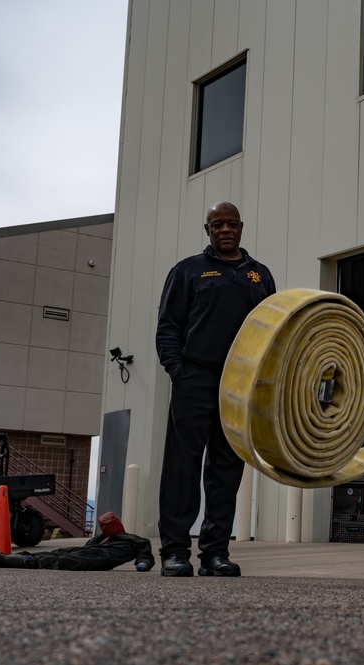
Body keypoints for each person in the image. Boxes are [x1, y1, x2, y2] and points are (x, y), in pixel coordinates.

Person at [156, 201, 276, 577]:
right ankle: (175, 551)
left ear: (242, 228)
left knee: (226, 470)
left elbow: (273, 329)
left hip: (239, 386)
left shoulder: (260, 275)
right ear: (207, 230)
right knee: (182, 468)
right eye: (217, 224)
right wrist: (178, 371)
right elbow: (168, 327)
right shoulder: (188, 271)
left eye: (231, 224)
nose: (225, 230)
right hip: (195, 379)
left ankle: (214, 554)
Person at [0, 512, 154, 571]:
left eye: (109, 524)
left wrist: (142, 563)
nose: (105, 527)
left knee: (50, 560)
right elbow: (88, 546)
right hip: (87, 553)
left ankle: (1, 560)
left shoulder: (132, 540)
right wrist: (99, 539)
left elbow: (144, 548)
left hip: (100, 559)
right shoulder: (101, 538)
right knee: (51, 555)